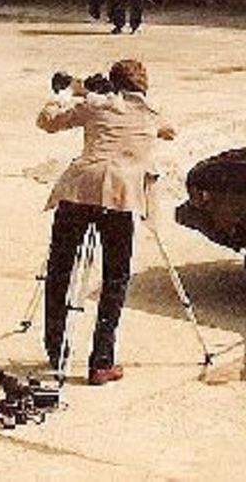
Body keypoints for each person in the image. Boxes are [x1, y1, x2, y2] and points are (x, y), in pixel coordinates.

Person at [36, 59, 176, 384]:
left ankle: (56, 351)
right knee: (116, 279)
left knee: (60, 271)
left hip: (78, 192)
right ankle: (102, 362)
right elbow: (170, 130)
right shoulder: (153, 112)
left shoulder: (95, 105)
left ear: (114, 85)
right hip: (121, 199)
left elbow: (47, 121)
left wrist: (66, 92)